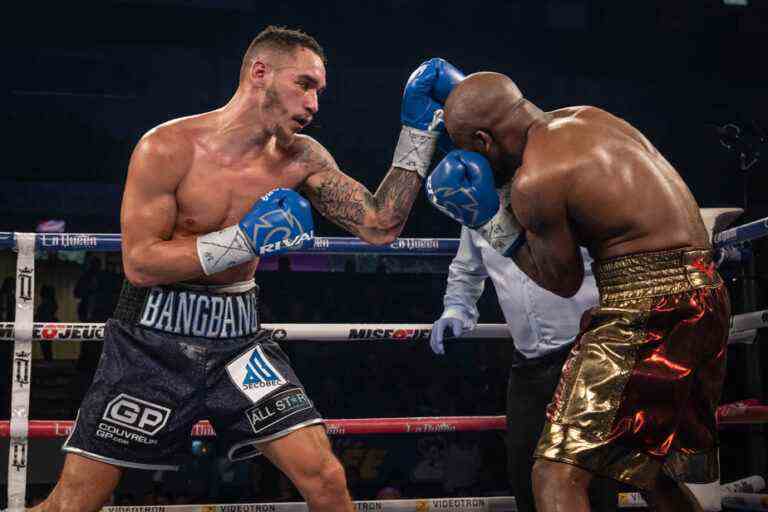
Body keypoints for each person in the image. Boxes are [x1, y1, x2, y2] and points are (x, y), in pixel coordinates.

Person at [33, 28, 462, 511]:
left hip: (240, 346)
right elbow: (140, 263)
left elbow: (379, 226)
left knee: (325, 478)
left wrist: (417, 136)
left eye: (319, 90)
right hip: (150, 345)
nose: (315, 103)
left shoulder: (302, 157)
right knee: (75, 501)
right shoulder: (168, 148)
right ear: (260, 73)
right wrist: (243, 240)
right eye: (305, 84)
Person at [426, 71, 730, 512]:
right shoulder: (589, 117)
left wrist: (492, 222)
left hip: (646, 304)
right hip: (704, 292)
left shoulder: (536, 181)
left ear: (483, 141)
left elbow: (562, 282)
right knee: (646, 469)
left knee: (553, 477)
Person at [430, 229, 619, 511]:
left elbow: (617, 255)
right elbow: (467, 268)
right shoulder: (475, 201)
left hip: (587, 355)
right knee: (525, 476)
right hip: (528, 361)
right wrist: (456, 307)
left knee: (588, 481)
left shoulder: (569, 190)